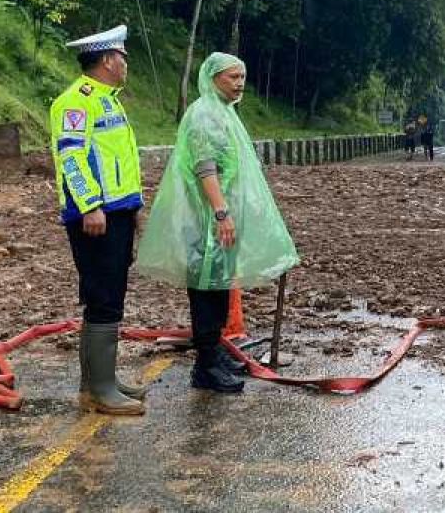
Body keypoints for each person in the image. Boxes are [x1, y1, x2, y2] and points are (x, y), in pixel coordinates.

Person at [137, 53, 300, 393]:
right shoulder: (204, 115)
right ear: (213, 78)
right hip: (207, 221)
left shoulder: (223, 112)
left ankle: (214, 354)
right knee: (205, 290)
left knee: (220, 285)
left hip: (218, 218)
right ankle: (206, 365)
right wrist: (221, 212)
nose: (239, 83)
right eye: (232, 77)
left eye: (242, 77)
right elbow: (205, 167)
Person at [50, 25, 146, 416]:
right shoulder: (76, 102)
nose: (125, 64)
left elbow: (119, 161)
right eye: (122, 58)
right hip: (96, 216)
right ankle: (101, 389)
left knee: (109, 292)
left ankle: (98, 380)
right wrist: (89, 205)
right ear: (107, 59)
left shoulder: (109, 101)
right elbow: (71, 157)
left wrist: (135, 205)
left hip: (117, 212)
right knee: (103, 294)